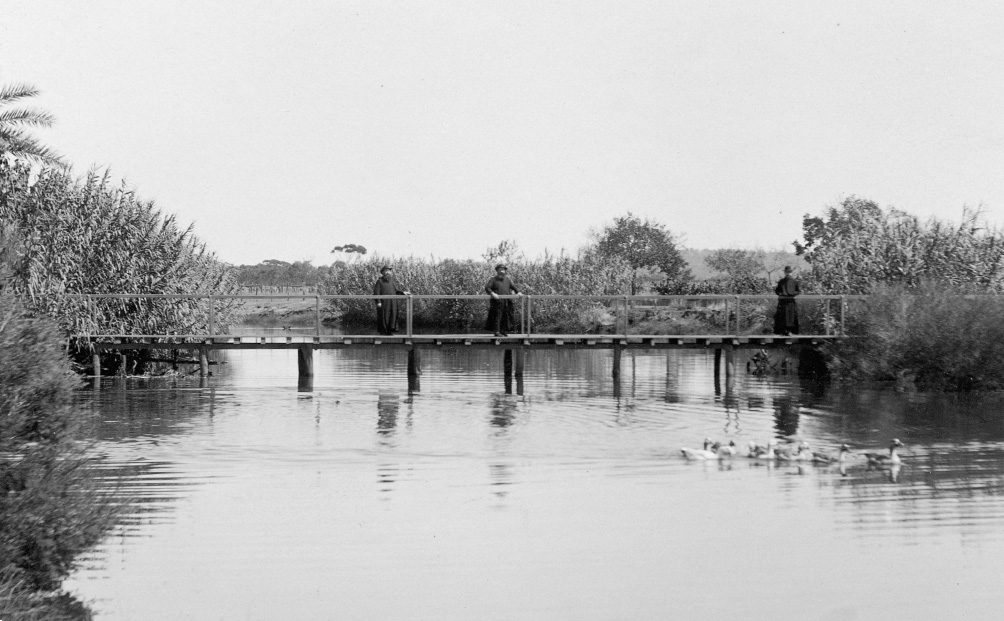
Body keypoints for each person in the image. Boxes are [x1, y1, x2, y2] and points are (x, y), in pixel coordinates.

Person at [484, 264, 523, 337]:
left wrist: (519, 292)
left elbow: (513, 287)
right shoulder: (493, 279)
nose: (502, 271)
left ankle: (503, 331)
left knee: (506, 316)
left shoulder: (507, 279)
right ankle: (497, 332)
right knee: (498, 316)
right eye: (500, 269)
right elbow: (487, 288)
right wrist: (493, 293)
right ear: (497, 270)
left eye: (503, 269)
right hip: (497, 302)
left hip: (507, 301)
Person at [373, 266, 410, 335]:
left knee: (393, 315)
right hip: (384, 303)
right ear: (382, 272)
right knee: (384, 316)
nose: (387, 272)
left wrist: (403, 292)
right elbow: (376, 292)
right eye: (386, 271)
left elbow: (395, 291)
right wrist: (378, 302)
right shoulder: (379, 281)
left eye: (389, 271)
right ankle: (383, 332)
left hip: (393, 302)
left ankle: (390, 331)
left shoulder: (392, 281)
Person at [773, 265, 800, 335]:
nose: (788, 273)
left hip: (789, 301)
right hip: (785, 301)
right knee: (783, 316)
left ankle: (789, 331)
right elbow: (777, 291)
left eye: (789, 272)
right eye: (787, 272)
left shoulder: (794, 281)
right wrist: (783, 293)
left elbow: (798, 291)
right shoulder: (782, 281)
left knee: (790, 316)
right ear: (785, 272)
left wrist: (790, 294)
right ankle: (783, 331)